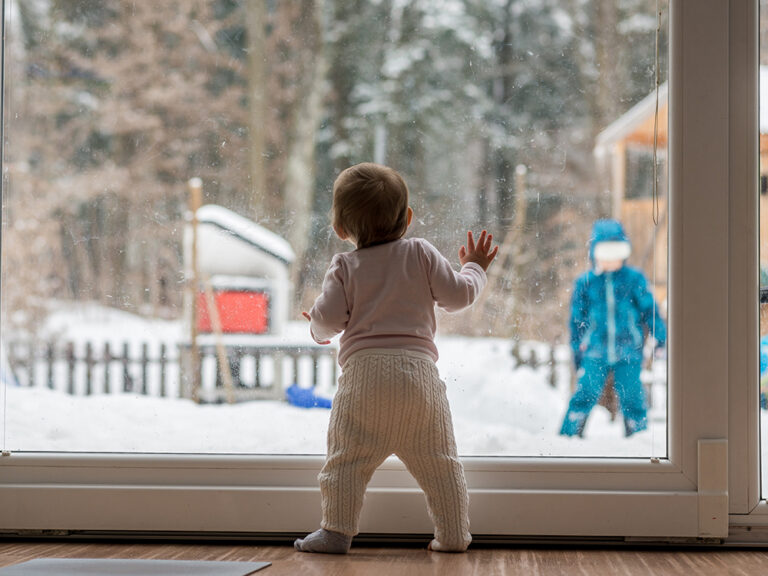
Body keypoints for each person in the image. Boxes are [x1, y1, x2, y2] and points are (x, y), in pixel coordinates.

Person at [294, 162, 498, 554]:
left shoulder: (344, 266)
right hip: (418, 378)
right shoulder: (421, 253)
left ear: (340, 228)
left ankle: (336, 532)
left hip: (363, 380)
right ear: (407, 218)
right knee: (441, 463)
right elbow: (458, 296)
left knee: (345, 463)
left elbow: (327, 320)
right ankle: (454, 535)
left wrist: (316, 329)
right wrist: (474, 267)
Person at [559, 219, 666, 438]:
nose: (611, 260)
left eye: (616, 253)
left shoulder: (633, 279)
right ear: (595, 254)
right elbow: (577, 321)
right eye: (605, 253)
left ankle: (638, 439)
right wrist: (577, 351)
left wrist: (661, 337)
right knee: (584, 394)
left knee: (632, 397)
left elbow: (650, 310)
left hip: (629, 350)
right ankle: (567, 439)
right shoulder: (586, 283)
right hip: (595, 350)